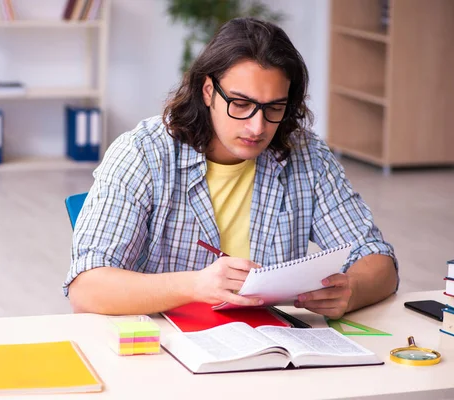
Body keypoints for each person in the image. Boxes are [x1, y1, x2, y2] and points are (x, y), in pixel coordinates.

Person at [64, 17, 398, 320]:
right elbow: (86, 288)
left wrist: (350, 290)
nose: (257, 127)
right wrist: (194, 286)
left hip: (269, 345)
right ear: (208, 91)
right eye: (241, 104)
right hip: (159, 347)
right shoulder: (143, 153)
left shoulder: (306, 155)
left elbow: (378, 260)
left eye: (274, 108)